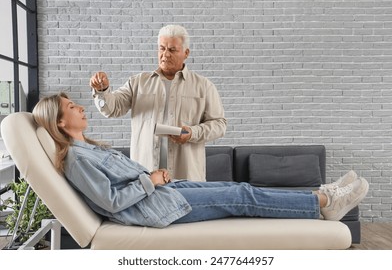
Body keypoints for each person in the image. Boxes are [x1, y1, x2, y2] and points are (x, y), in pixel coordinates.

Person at [32, 92, 369, 228]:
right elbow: (110, 200)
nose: (79, 107)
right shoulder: (76, 159)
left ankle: (318, 195)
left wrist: (154, 177)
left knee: (238, 187)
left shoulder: (88, 148)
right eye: (71, 107)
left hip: (164, 192)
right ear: (60, 122)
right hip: (156, 206)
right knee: (242, 196)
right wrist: (151, 180)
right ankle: (325, 203)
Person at [89, 25, 227, 181]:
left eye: (172, 50)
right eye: (161, 49)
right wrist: (102, 91)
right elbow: (112, 109)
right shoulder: (138, 82)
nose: (165, 55)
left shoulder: (204, 86)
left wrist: (192, 133)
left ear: (186, 53)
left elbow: (219, 125)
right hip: (146, 179)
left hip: (186, 177)